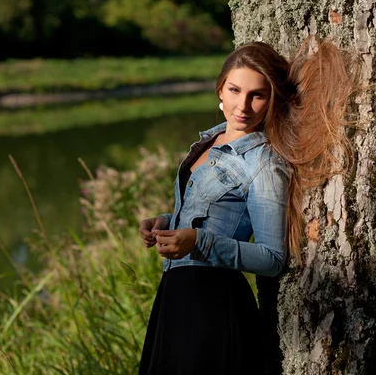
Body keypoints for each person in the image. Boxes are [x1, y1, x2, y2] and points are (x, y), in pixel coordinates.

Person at [138, 37, 358, 375]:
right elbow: (209, 214)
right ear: (220, 91)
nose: (243, 106)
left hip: (212, 305)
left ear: (272, 100)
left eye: (258, 95)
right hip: (174, 298)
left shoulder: (265, 164)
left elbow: (272, 258)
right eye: (235, 90)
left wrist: (197, 242)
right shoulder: (206, 142)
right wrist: (166, 223)